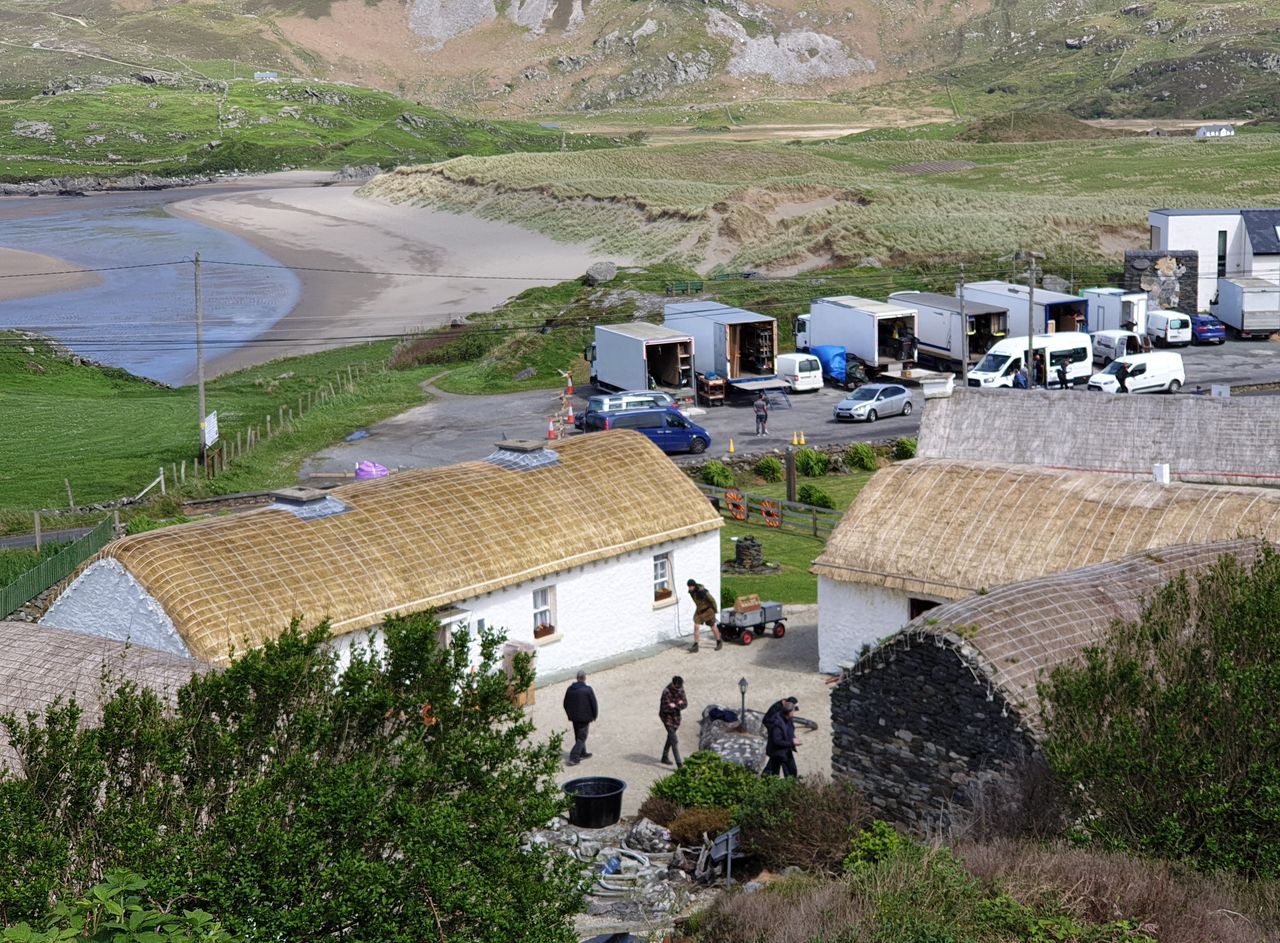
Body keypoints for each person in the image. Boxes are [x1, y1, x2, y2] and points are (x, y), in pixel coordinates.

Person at [562, 671, 598, 766]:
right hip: (585, 718)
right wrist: (594, 715)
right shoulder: (588, 690)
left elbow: (565, 703)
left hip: (574, 717)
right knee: (582, 737)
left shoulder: (570, 689)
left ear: (577, 678)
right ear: (584, 678)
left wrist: (570, 714)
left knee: (578, 736)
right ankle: (574, 757)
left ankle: (582, 753)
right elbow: (593, 704)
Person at [763, 699, 799, 778]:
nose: (794, 712)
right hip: (779, 752)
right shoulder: (777, 724)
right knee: (786, 773)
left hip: (785, 750)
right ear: (789, 712)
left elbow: (790, 730)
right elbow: (777, 741)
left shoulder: (788, 719)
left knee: (791, 772)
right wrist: (792, 743)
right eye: (793, 710)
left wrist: (793, 739)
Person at [659, 675, 688, 768]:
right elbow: (665, 708)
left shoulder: (681, 689)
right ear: (673, 684)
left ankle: (664, 756)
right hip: (667, 718)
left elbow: (685, 704)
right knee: (674, 740)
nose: (680, 688)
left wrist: (675, 706)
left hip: (676, 718)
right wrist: (677, 705)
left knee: (670, 738)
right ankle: (679, 764)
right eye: (678, 686)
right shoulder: (666, 692)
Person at [687, 579, 721, 652]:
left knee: (712, 626)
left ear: (694, 586)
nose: (689, 588)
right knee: (696, 626)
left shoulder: (703, 592)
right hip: (699, 611)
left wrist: (715, 610)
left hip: (708, 611)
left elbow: (712, 600)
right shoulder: (691, 592)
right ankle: (696, 646)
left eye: (690, 586)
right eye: (688, 587)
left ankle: (719, 642)